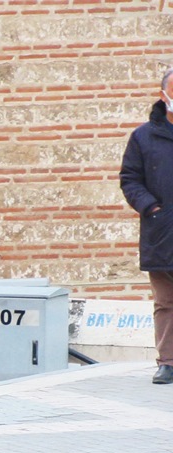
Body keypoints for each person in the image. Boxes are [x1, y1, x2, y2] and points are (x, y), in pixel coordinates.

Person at [120, 67, 173, 384]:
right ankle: (168, 361)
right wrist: (151, 208)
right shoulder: (143, 137)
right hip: (162, 232)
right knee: (166, 301)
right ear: (164, 93)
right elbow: (130, 180)